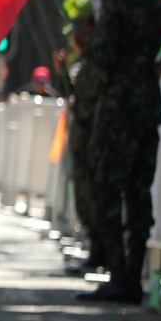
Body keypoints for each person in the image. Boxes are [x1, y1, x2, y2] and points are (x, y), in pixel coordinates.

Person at [78, 0, 161, 304]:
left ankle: (119, 276)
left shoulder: (118, 6)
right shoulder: (157, 7)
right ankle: (134, 277)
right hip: (147, 104)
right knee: (139, 193)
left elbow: (103, 54)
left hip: (117, 109)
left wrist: (89, 43)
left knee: (107, 188)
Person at [53, 17, 101, 271]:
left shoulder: (99, 65)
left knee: (95, 198)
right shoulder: (84, 66)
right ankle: (97, 250)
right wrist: (61, 70)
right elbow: (72, 95)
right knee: (84, 198)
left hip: (95, 142)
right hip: (83, 142)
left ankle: (102, 252)